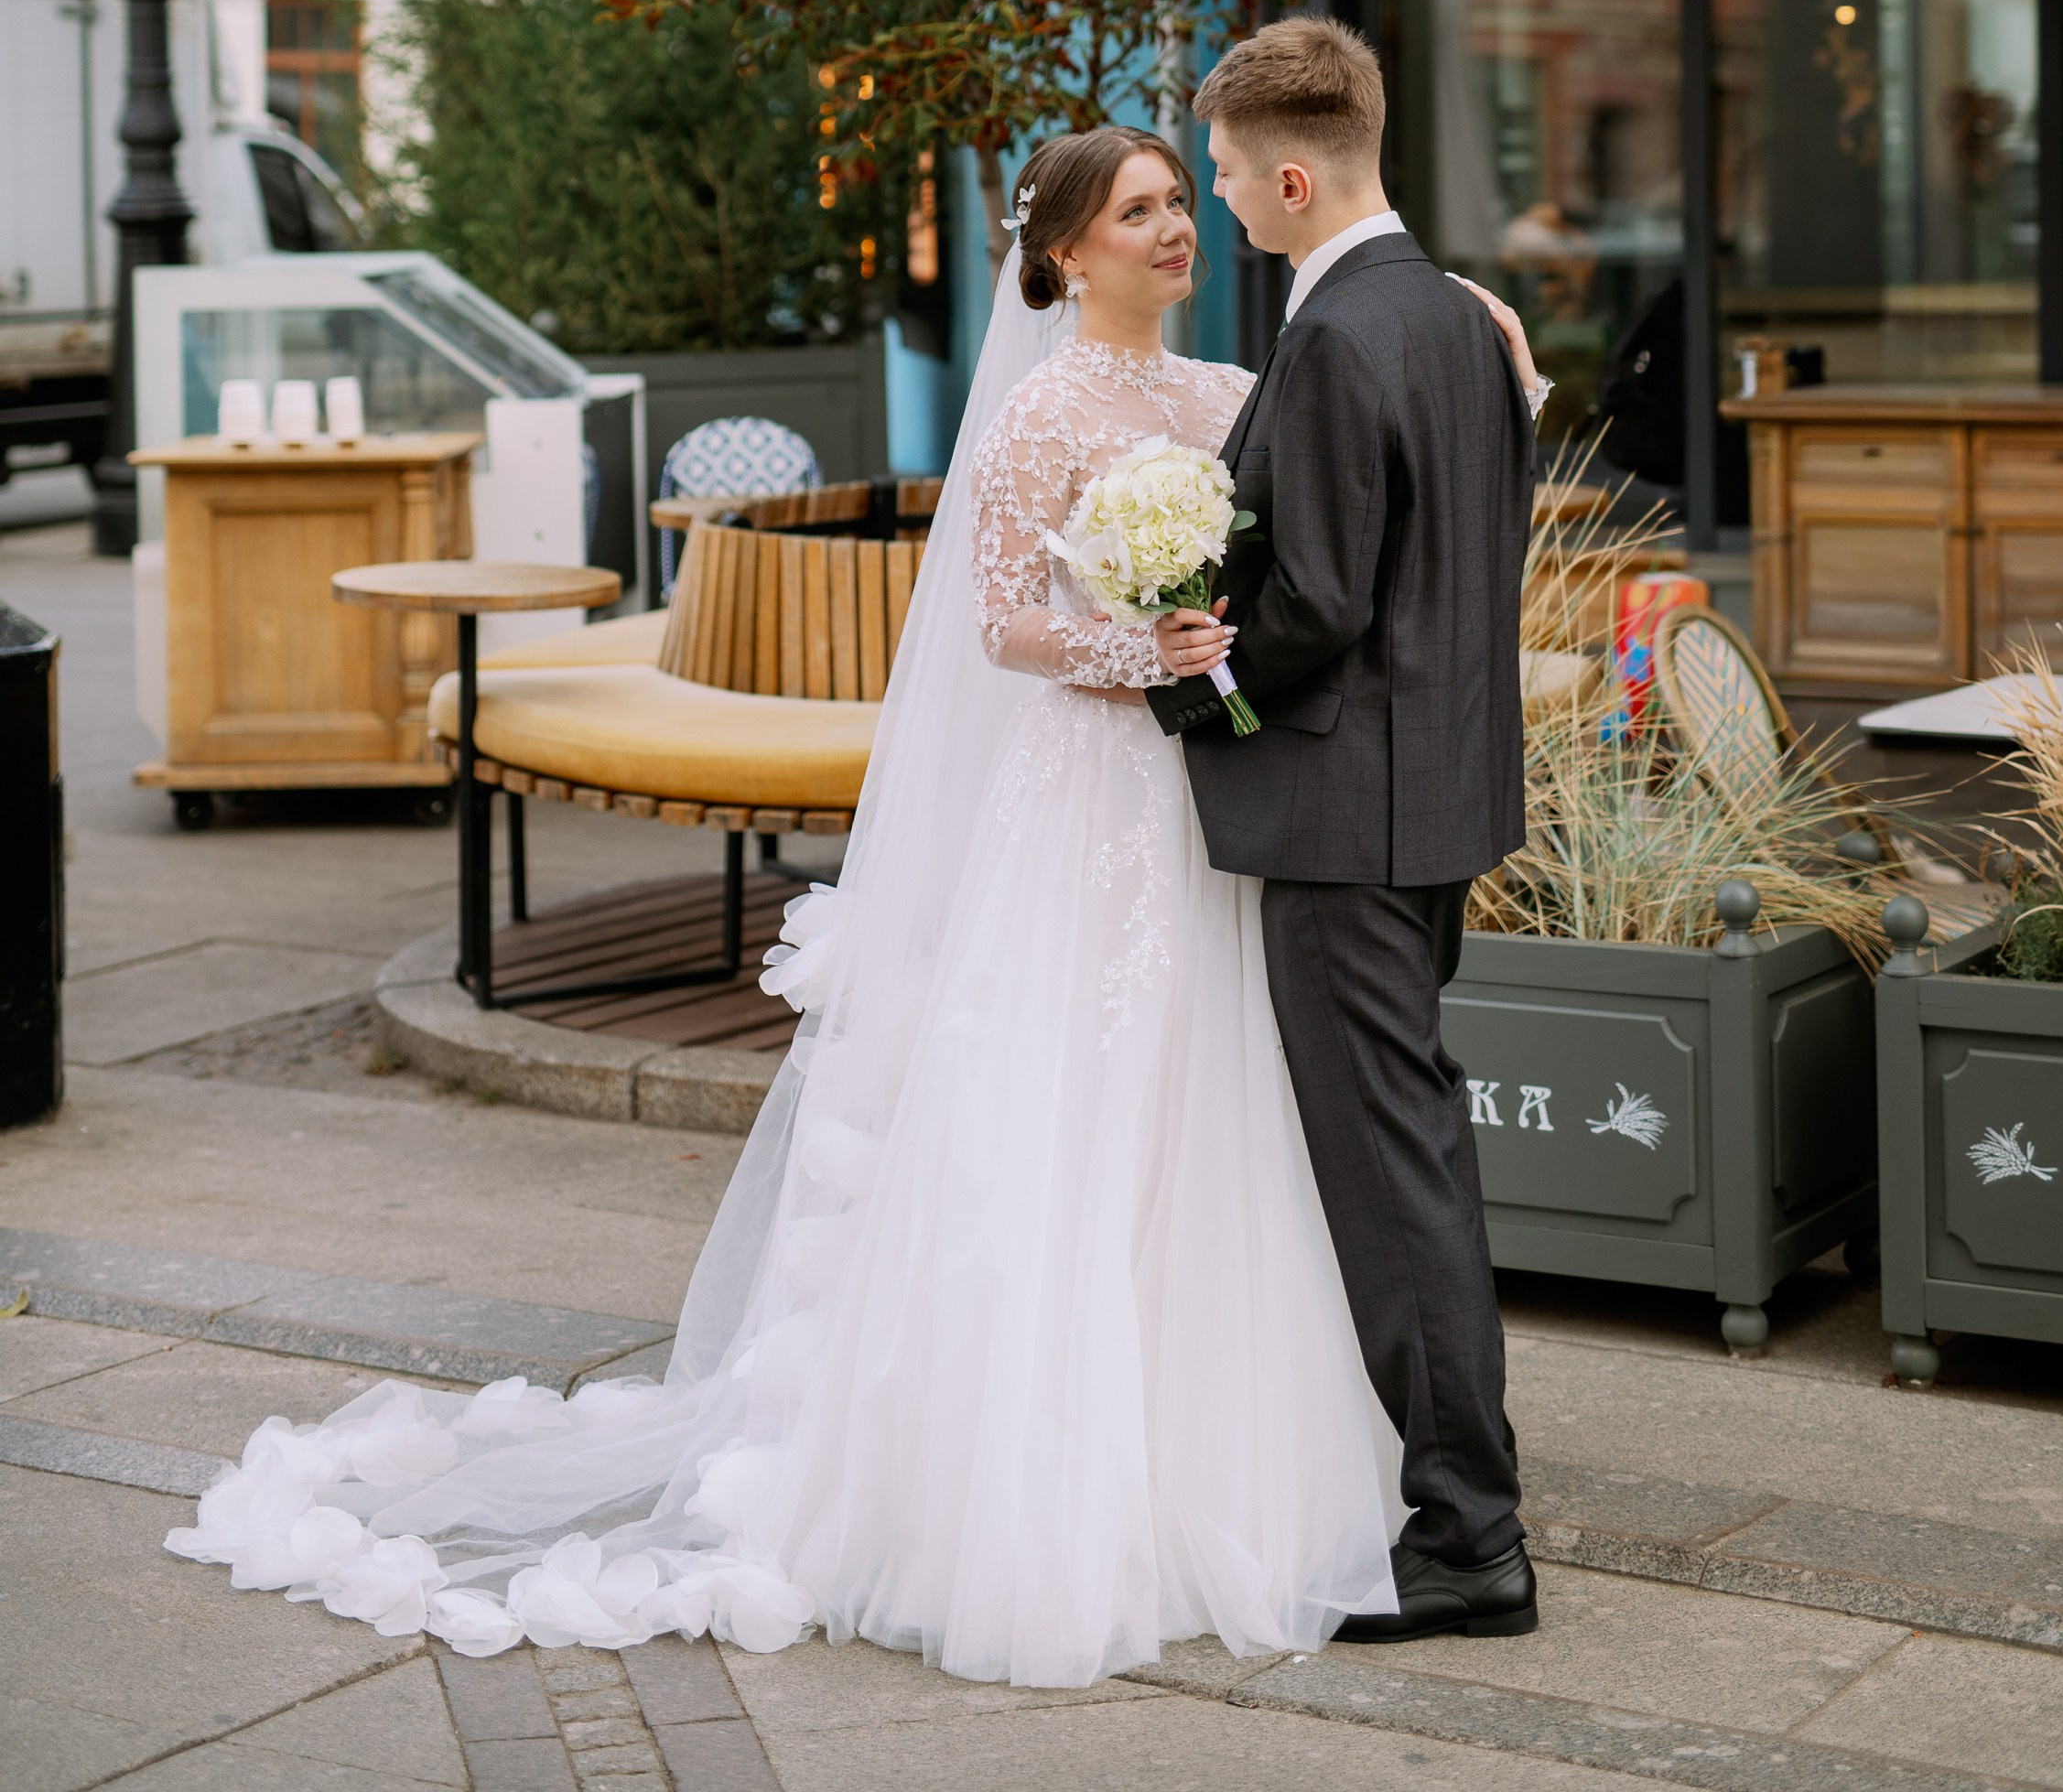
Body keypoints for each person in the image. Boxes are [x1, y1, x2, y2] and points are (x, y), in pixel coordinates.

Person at [165, 123, 1541, 1688]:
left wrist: (1484, 353)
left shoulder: (1239, 388)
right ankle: (1060, 1486)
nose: (1177, 231)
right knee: (1071, 1124)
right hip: (1095, 804)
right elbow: (1001, 622)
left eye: (1182, 200)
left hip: (1226, 810)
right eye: (1142, 211)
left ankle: (1265, 1458)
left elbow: (1358, 488)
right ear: (1064, 254)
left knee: (1238, 1126)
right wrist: (1133, 655)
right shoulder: (1041, 411)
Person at [1181, 16, 1545, 1646]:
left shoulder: (1335, 335)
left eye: (1226, 176)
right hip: (1438, 789)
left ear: (1294, 171)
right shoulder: (1464, 316)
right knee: (1419, 1148)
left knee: (1396, 1174)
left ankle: (1470, 1538)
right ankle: (1462, 1498)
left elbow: (1319, 599)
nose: (1220, 201)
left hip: (1344, 811)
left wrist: (1195, 685)